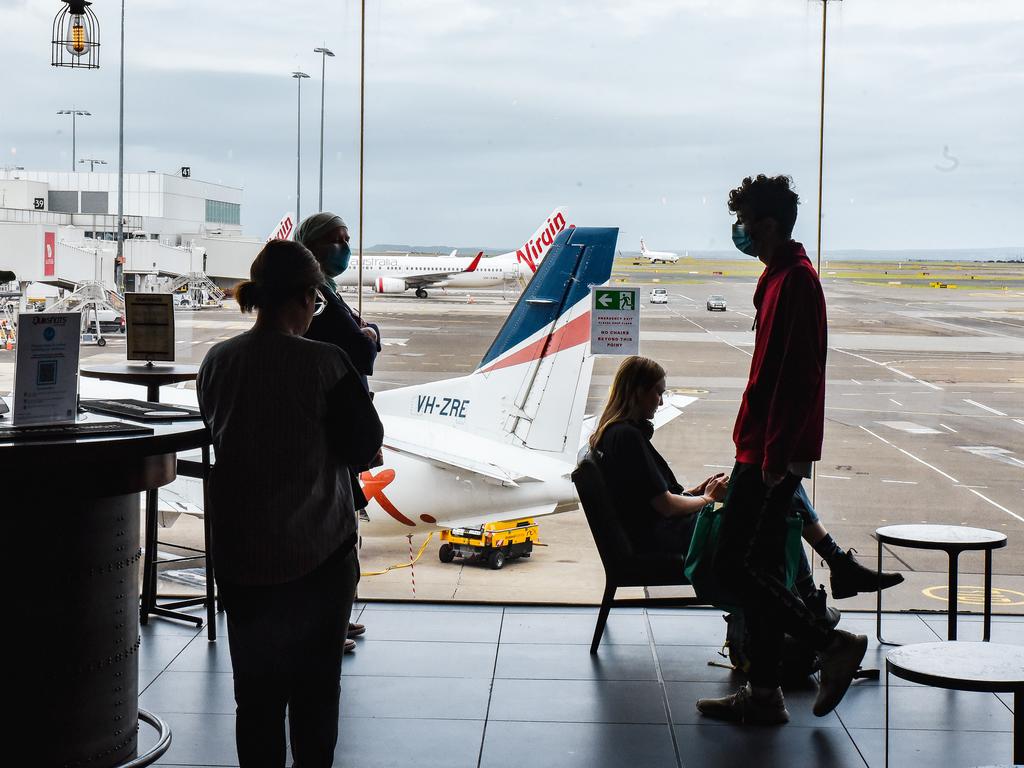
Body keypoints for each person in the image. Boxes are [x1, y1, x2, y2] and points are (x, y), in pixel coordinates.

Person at [197, 239, 383, 766]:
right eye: (316, 302)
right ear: (305, 297)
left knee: (254, 702)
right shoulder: (328, 363)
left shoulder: (217, 361)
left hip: (242, 561)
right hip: (317, 560)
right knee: (314, 701)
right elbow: (365, 446)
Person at [696, 174, 867, 726]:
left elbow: (793, 376)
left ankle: (830, 641)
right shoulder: (778, 278)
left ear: (767, 225)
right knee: (764, 569)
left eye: (744, 221)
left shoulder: (795, 282)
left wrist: (771, 457)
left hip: (768, 455)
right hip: (764, 447)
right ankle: (765, 693)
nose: (739, 231)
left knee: (731, 565)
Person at [589, 356, 895, 624]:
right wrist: (707, 498)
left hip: (663, 530)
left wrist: (696, 493)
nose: (661, 400)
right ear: (638, 392)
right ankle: (823, 584)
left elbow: (647, 499)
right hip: (672, 535)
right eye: (658, 392)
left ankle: (821, 588)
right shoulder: (628, 438)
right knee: (777, 501)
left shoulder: (612, 436)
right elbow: (665, 507)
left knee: (777, 493)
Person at [296, 212, 382, 652]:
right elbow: (361, 351)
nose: (346, 248)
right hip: (331, 428)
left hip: (333, 425)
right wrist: (368, 334)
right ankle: (328, 623)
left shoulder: (324, 295)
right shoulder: (323, 300)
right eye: (338, 240)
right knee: (336, 530)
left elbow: (360, 343)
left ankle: (335, 618)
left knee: (338, 527)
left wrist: (366, 334)